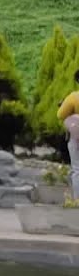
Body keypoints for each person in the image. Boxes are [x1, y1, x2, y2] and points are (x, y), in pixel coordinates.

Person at [57, 69, 79, 198]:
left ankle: (77, 200)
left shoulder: (74, 97)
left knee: (77, 169)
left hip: (76, 137)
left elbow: (60, 115)